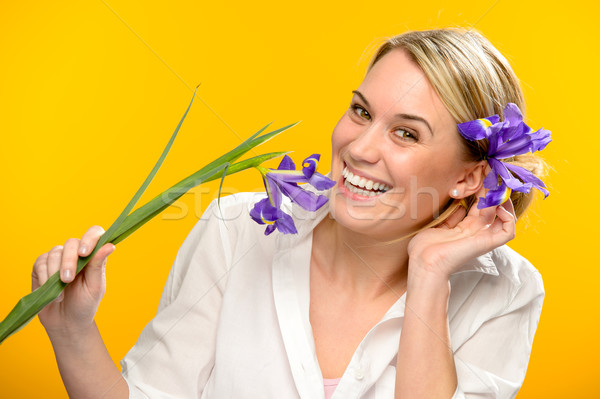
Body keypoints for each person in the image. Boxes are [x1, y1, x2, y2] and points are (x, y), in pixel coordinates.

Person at [31, 28, 547, 399]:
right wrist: (72, 330)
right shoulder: (235, 231)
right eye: (362, 112)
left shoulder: (506, 292)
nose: (358, 148)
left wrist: (430, 275)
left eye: (406, 132)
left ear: (468, 178)